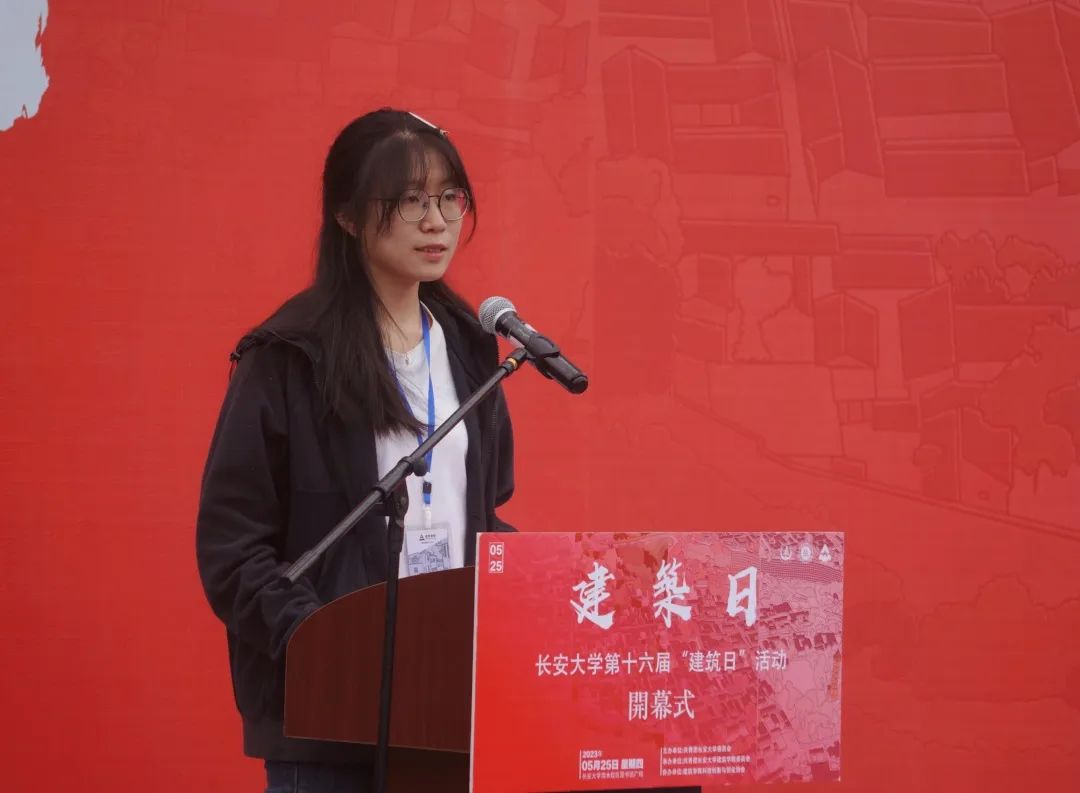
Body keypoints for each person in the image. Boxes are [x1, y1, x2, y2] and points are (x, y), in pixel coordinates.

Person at [195, 108, 515, 793]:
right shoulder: (289, 358)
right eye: (409, 200)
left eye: (449, 197)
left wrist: (543, 588)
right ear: (346, 215)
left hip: (448, 701)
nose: (436, 221)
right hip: (329, 717)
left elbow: (483, 514)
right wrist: (320, 640)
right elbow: (232, 548)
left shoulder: (469, 345)